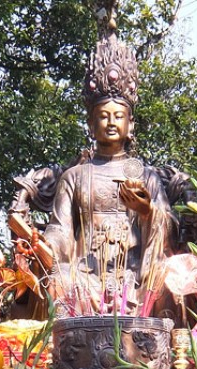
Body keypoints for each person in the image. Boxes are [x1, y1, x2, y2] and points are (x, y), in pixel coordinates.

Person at [42, 32, 176, 318]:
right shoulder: (75, 176)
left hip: (135, 272)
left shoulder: (146, 176)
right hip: (86, 274)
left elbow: (169, 226)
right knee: (60, 277)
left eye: (118, 116)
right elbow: (60, 229)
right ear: (91, 125)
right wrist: (46, 244)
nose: (111, 122)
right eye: (103, 116)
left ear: (131, 125)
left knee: (168, 274)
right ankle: (67, 343)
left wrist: (148, 212)